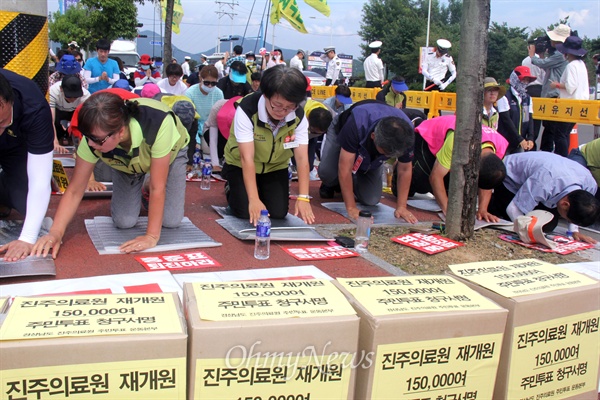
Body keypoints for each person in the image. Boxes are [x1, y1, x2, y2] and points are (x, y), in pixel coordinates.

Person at [32, 92, 190, 258]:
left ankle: (146, 184)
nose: (92, 144)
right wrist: (55, 233)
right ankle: (141, 182)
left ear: (120, 132)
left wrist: (151, 237)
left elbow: (158, 187)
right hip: (128, 164)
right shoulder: (93, 139)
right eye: (89, 138)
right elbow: (74, 190)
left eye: (97, 140)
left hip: (170, 154)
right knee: (124, 221)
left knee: (171, 221)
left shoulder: (158, 123)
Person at [222, 66, 314, 225]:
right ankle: (231, 187)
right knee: (245, 211)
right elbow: (247, 158)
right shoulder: (247, 109)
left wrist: (303, 197)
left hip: (275, 166)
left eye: (289, 107)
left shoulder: (298, 115)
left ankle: (259, 189)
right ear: (265, 95)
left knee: (278, 213)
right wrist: (253, 199)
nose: (282, 111)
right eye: (277, 105)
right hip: (240, 164)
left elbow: (301, 157)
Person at [390, 115, 508, 218]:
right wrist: (448, 211)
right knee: (423, 182)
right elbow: (435, 177)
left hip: (449, 150)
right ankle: (399, 167)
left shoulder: (500, 147)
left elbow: (488, 176)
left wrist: (482, 209)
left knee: (450, 191)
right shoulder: (459, 141)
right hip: (426, 140)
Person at [318, 100, 415, 221]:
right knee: (328, 173)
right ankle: (334, 183)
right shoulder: (357, 123)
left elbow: (405, 169)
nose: (388, 156)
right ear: (373, 136)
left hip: (368, 152)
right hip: (342, 131)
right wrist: (351, 207)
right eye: (385, 152)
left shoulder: (406, 134)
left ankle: (352, 180)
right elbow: (345, 168)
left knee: (371, 200)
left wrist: (402, 206)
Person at [483, 152, 599, 244]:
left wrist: (574, 231)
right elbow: (513, 208)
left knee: (547, 226)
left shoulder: (590, 185)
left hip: (542, 183)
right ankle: (493, 203)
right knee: (509, 221)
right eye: (568, 220)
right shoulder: (546, 182)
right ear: (565, 204)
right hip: (509, 178)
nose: (569, 222)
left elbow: (578, 205)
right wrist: (527, 232)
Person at [0, 69, 54, 261]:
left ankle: (4, 190)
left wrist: (27, 238)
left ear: (9, 101)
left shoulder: (35, 109)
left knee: (28, 203)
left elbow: (40, 180)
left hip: (17, 145)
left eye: (0, 122)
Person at [528, 24, 569, 155]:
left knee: (552, 128)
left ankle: (546, 151)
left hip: (553, 94)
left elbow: (543, 64)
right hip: (550, 93)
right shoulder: (559, 55)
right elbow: (547, 67)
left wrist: (532, 55)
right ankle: (547, 151)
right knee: (551, 128)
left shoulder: (559, 55)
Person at [549, 35, 590, 155]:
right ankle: (565, 156)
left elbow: (570, 87)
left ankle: (562, 156)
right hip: (580, 103)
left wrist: (556, 85)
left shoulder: (571, 66)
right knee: (565, 133)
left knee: (560, 134)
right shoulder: (581, 64)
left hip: (570, 104)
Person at [184, 65, 224, 170]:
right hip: (193, 126)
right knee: (194, 149)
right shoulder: (190, 93)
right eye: (207, 83)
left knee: (207, 150)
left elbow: (219, 118)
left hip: (211, 126)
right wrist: (196, 140)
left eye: (213, 83)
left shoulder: (219, 93)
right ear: (200, 78)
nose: (210, 86)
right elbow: (189, 120)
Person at [496, 66, 535, 154]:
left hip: (520, 143)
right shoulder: (504, 96)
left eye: (527, 80)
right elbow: (506, 119)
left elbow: (529, 119)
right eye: (523, 79)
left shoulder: (527, 98)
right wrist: (519, 138)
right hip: (505, 142)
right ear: (515, 79)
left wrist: (530, 138)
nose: (525, 83)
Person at [49, 74, 90, 147]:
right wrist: (55, 142)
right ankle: (59, 137)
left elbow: (86, 122)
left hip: (75, 111)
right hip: (58, 110)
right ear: (61, 89)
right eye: (69, 96)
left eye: (76, 96)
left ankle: (72, 137)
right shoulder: (53, 91)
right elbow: (50, 120)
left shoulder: (85, 96)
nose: (73, 99)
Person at [522, 37, 546, 142]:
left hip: (527, 89)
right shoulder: (542, 61)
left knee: (527, 117)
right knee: (536, 119)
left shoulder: (525, 60)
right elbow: (545, 77)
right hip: (539, 90)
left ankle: (525, 138)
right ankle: (533, 140)